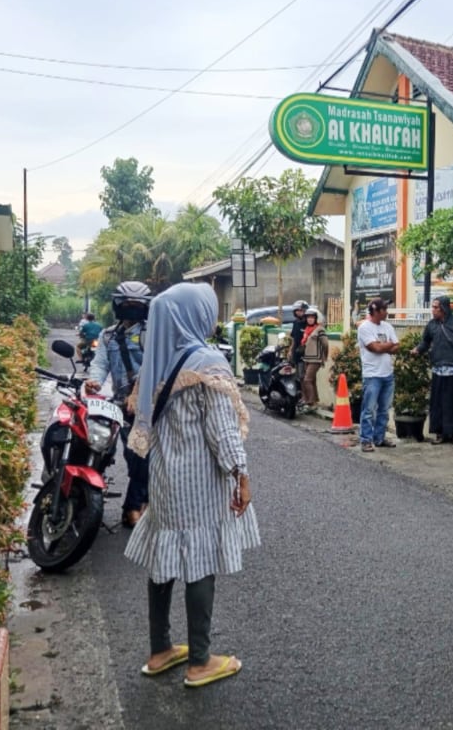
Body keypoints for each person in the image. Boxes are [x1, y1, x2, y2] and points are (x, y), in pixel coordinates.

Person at [124, 282, 260, 688]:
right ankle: (200, 661)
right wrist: (240, 474)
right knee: (200, 562)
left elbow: (141, 418)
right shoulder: (207, 361)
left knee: (164, 560)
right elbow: (222, 431)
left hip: (164, 480)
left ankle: (160, 649)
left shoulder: (157, 361)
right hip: (198, 482)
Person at [86, 281, 152, 527]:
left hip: (149, 404)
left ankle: (133, 506)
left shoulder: (151, 334)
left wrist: (138, 392)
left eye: (137, 305)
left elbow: (153, 365)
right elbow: (100, 363)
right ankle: (141, 501)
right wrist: (94, 381)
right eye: (127, 304)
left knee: (143, 454)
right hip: (120, 405)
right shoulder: (108, 335)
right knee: (131, 454)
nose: (131, 309)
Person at [411, 295, 453, 445]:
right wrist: (418, 350)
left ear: (444, 308)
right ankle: (440, 434)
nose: (433, 310)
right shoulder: (431, 325)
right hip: (437, 368)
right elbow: (425, 342)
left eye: (436, 307)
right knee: (437, 402)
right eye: (433, 307)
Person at [357, 297, 399, 452]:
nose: (387, 312)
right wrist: (388, 345)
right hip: (372, 375)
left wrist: (383, 346)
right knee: (368, 410)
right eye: (384, 309)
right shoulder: (365, 328)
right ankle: (366, 440)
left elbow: (397, 347)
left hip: (387, 374)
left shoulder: (388, 326)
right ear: (376, 311)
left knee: (384, 410)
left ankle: (379, 438)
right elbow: (375, 348)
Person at [299, 307, 328, 412]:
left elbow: (325, 344)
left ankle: (310, 402)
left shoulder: (320, 329)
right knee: (311, 380)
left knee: (307, 380)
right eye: (308, 317)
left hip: (316, 359)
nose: (310, 319)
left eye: (312, 317)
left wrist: (324, 357)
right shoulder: (307, 329)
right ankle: (314, 401)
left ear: (316, 319)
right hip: (307, 358)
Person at [289, 300, 309, 367]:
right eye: (297, 310)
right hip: (296, 351)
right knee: (296, 370)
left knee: (303, 371)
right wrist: (290, 351)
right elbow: (294, 338)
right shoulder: (295, 322)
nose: (299, 312)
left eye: (301, 310)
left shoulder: (309, 323)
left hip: (306, 352)